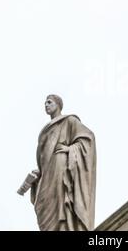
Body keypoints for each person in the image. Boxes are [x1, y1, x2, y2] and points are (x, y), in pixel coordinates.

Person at [21, 94, 96, 231]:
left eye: (49, 102)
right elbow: (43, 159)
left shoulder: (70, 121)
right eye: (45, 103)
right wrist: (39, 174)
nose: (46, 105)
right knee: (43, 207)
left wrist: (69, 149)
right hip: (47, 177)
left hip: (61, 172)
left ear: (58, 104)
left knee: (62, 206)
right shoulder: (44, 131)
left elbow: (88, 139)